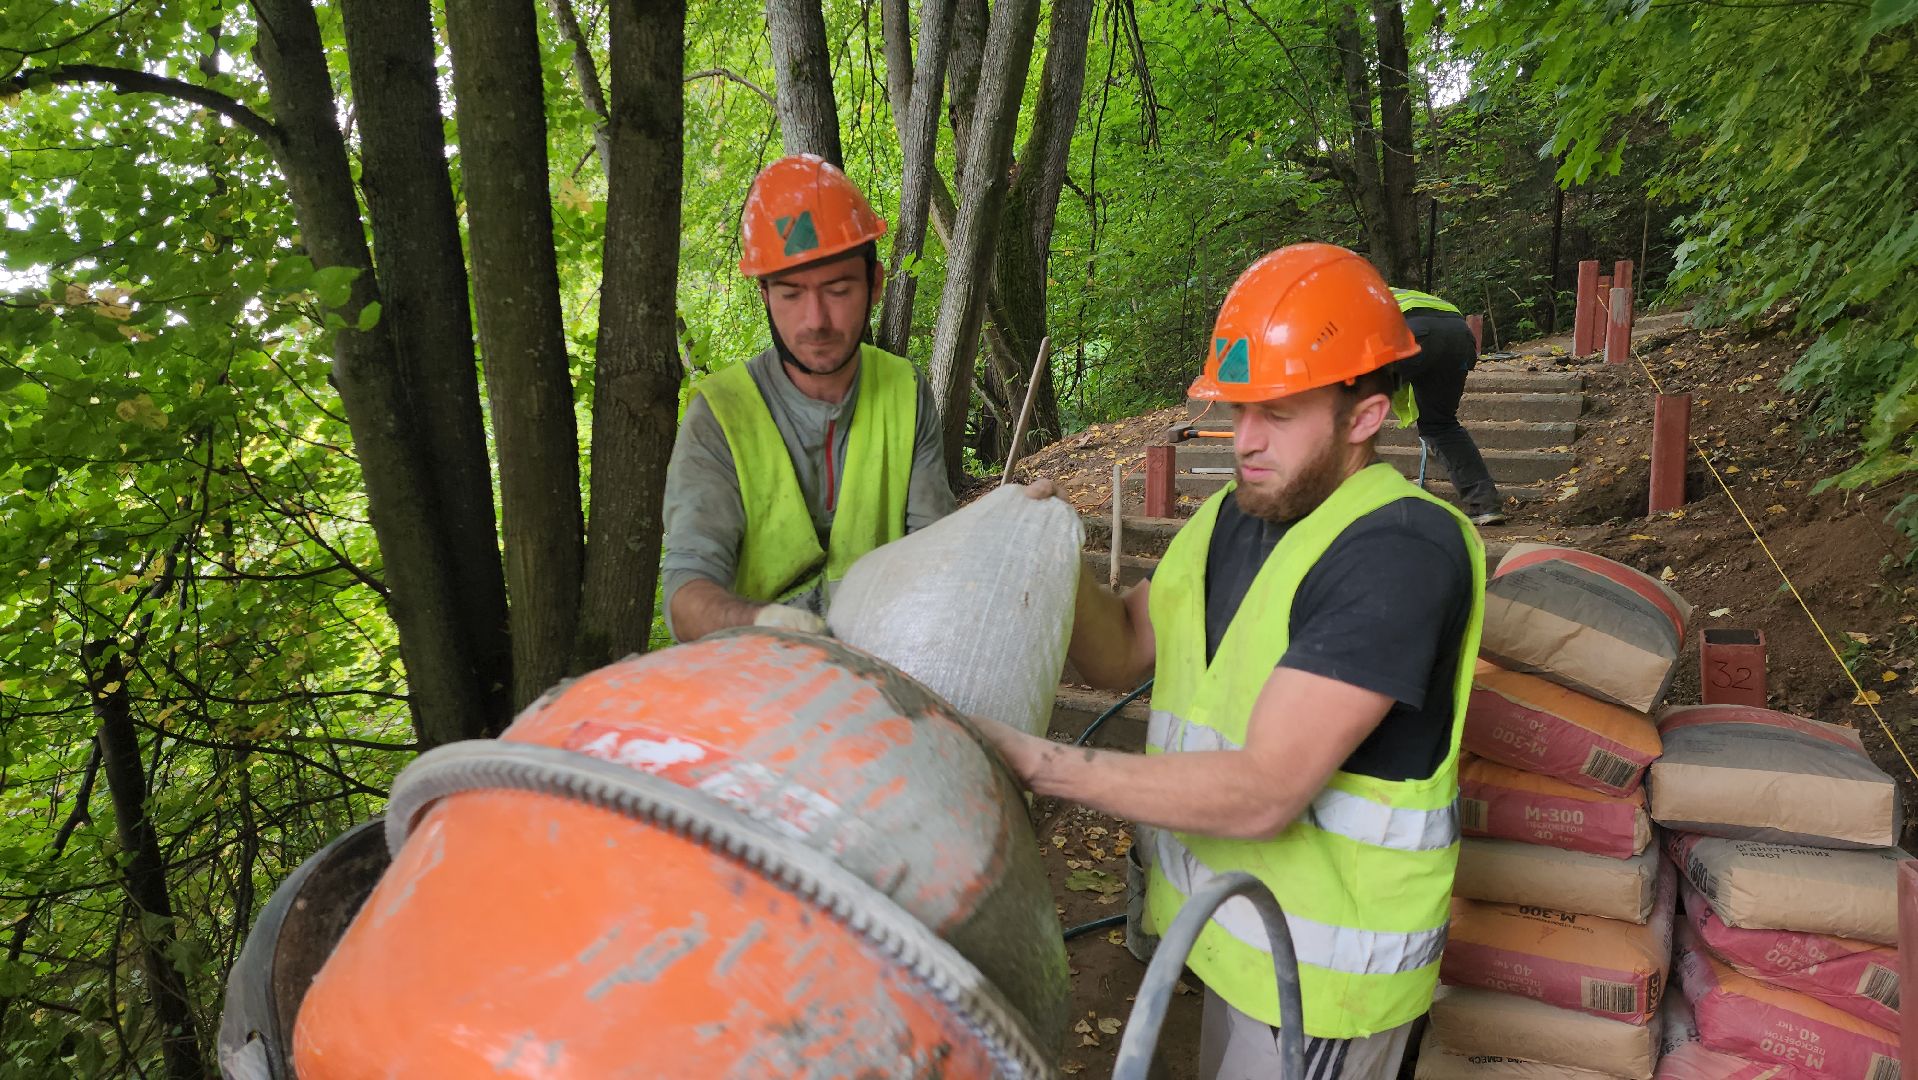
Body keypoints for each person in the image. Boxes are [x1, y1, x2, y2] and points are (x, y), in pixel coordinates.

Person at [982, 244, 1487, 1079]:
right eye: (1239, 408)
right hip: (1229, 936)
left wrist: (1038, 764)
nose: (1244, 442)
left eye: (1278, 415)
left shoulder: (1401, 550)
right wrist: (1054, 553)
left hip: (1324, 984)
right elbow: (1120, 652)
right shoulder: (1231, 515)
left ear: (1364, 416)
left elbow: (1264, 790)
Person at [661, 154, 955, 641]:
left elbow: (933, 551)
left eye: (837, 290)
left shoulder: (905, 389)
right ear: (764, 296)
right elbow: (686, 592)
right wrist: (758, 623)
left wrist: (1003, 524)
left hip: (883, 652)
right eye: (792, 294)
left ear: (875, 284)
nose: (815, 320)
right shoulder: (720, 415)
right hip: (758, 667)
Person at [1391, 286, 1505, 526]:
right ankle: (1484, 504)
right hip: (1459, 335)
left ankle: (1339, 500)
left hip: (1413, 332)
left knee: (1348, 410)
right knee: (1441, 425)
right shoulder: (1381, 290)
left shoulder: (1336, 300)